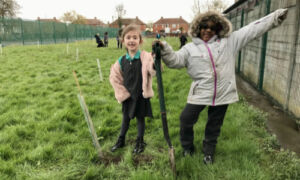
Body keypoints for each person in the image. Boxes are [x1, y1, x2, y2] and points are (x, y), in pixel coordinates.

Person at [153, 9, 288, 164]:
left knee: (214, 125)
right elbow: (175, 61)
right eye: (204, 27)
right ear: (198, 28)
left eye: (212, 28)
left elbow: (252, 29)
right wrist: (164, 49)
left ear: (218, 30)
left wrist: (275, 17)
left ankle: (208, 152)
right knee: (186, 119)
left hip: (223, 93)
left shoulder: (230, 42)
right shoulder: (190, 49)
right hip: (201, 92)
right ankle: (187, 148)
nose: (208, 30)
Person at [109, 24, 156, 154]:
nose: (131, 40)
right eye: (128, 37)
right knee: (125, 118)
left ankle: (140, 141)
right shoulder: (121, 60)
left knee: (140, 119)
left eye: (135, 37)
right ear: (123, 41)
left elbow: (152, 70)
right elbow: (114, 77)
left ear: (140, 40)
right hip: (128, 96)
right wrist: (122, 93)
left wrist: (155, 63)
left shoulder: (145, 57)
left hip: (140, 95)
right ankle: (121, 140)